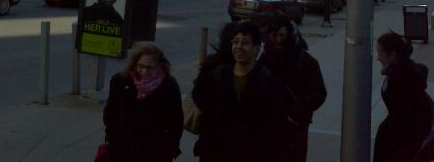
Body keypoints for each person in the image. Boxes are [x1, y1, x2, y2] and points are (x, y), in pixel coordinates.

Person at [192, 20, 289, 162]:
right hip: (217, 152)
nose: (239, 47)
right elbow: (200, 99)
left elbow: (276, 127)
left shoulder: (268, 81)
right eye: (235, 42)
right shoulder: (218, 75)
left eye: (245, 43)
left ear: (256, 48)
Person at [260, 14, 327, 162]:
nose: (278, 40)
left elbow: (319, 93)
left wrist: (296, 112)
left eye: (282, 35)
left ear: (289, 34)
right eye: (274, 35)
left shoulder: (305, 61)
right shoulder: (264, 59)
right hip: (269, 128)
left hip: (294, 129)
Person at [103, 41, 183, 162]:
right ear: (134, 63)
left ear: (159, 65)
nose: (144, 71)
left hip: (154, 152)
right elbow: (111, 113)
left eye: (149, 67)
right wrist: (111, 140)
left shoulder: (169, 87)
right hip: (122, 148)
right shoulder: (121, 81)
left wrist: (169, 149)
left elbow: (176, 123)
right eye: (141, 66)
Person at [374, 31, 434, 162]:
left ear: (392, 55)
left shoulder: (403, 78)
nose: (377, 58)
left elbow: (406, 118)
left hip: (402, 145)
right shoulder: (399, 73)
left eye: (380, 53)